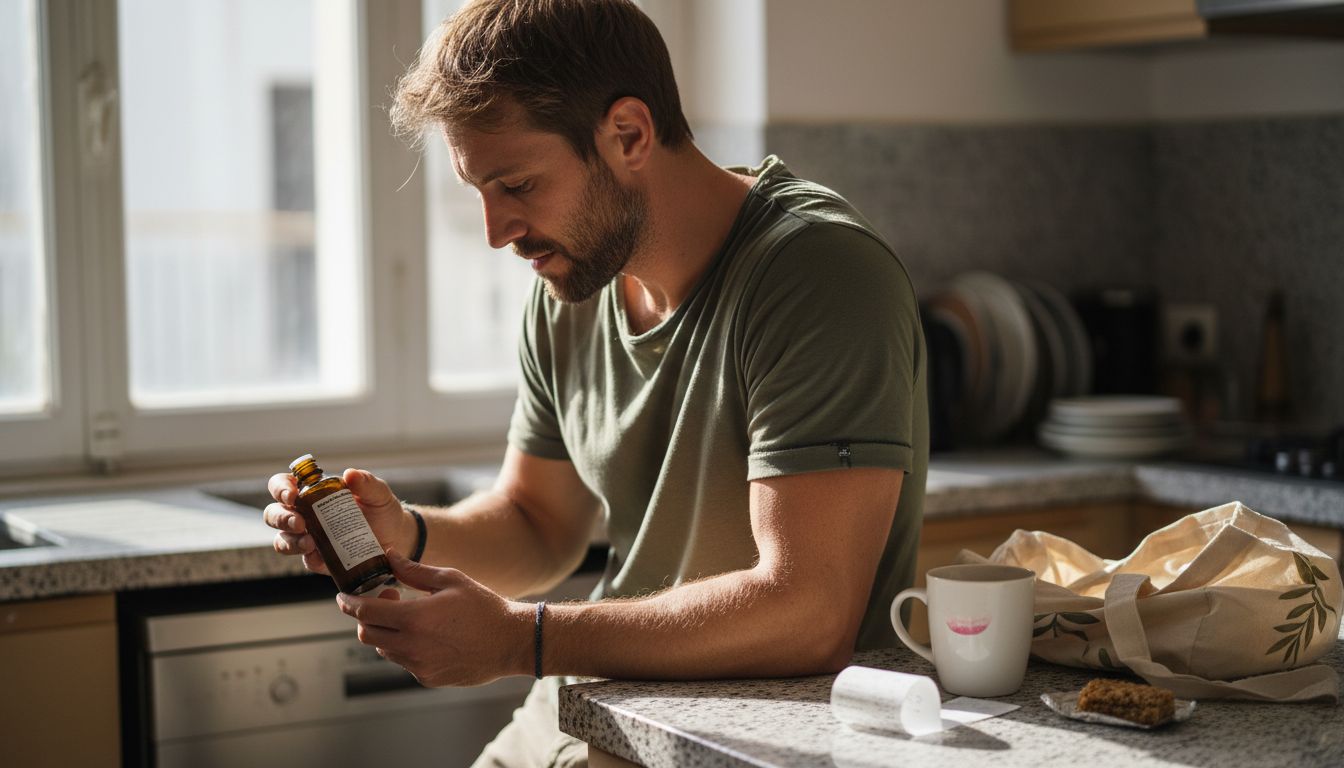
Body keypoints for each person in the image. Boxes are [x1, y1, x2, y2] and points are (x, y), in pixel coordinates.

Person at [263, 1, 927, 766]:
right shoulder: (571, 291)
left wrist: (524, 639)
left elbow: (810, 611)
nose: (496, 231)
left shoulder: (817, 274)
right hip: (590, 708)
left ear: (629, 136)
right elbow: (538, 524)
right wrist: (406, 531)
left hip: (743, 734)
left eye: (516, 184)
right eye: (479, 190)